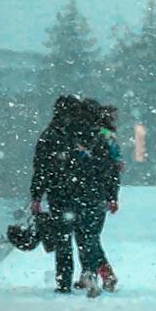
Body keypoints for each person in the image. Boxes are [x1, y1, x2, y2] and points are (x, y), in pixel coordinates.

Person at [29, 95, 121, 296]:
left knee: (63, 239)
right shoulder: (97, 134)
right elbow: (109, 168)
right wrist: (111, 194)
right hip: (92, 194)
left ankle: (64, 281)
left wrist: (37, 195)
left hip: (61, 194)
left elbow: (41, 168)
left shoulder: (51, 135)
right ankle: (89, 273)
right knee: (88, 237)